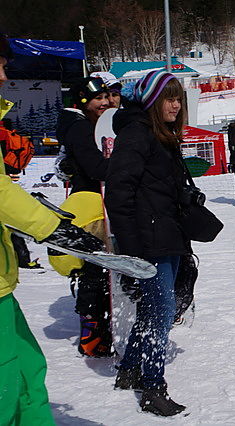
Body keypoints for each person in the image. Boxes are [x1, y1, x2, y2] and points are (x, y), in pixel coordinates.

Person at [0, 32, 104, 426]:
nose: (5, 74)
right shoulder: (78, 126)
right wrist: (54, 228)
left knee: (27, 367)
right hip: (79, 204)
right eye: (1, 65)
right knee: (6, 377)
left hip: (2, 278)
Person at [105, 70, 191, 416]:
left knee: (153, 310)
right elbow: (118, 194)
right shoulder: (136, 135)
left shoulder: (162, 135)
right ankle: (152, 386)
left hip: (166, 236)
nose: (176, 104)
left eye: (178, 98)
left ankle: (128, 369)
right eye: (169, 98)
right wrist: (131, 250)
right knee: (162, 313)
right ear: (152, 101)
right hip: (147, 243)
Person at [56, 76, 114, 357]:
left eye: (105, 97)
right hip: (90, 203)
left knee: (101, 268)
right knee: (96, 267)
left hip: (94, 199)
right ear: (82, 101)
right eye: (97, 99)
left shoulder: (84, 124)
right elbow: (94, 167)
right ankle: (91, 333)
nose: (103, 102)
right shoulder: (79, 128)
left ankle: (99, 329)